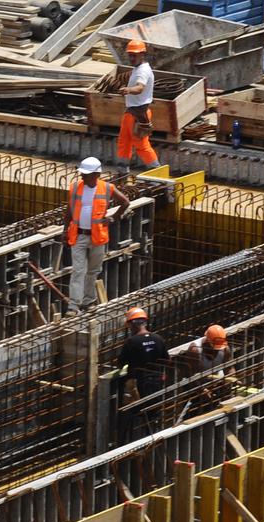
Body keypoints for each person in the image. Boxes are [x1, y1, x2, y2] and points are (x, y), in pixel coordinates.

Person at [65, 157, 131, 312]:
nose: (82, 177)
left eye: (86, 174)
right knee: (78, 271)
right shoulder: (75, 187)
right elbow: (69, 211)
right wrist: (64, 230)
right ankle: (73, 306)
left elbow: (125, 202)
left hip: (97, 237)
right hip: (79, 235)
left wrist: (114, 217)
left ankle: (89, 301)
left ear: (96, 174)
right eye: (82, 174)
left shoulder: (107, 188)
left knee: (92, 271)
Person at [116, 40, 160, 173]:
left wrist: (128, 90)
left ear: (142, 54)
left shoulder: (143, 71)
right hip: (131, 112)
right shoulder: (137, 69)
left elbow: (140, 88)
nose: (131, 58)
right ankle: (122, 171)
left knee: (141, 145)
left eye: (134, 55)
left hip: (139, 114)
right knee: (124, 141)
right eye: (130, 55)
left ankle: (156, 172)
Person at [116, 307, 170, 398]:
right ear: (144, 322)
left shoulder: (131, 342)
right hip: (158, 380)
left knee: (139, 408)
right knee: (156, 408)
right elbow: (167, 360)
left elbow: (121, 363)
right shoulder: (158, 338)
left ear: (131, 324)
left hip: (139, 382)